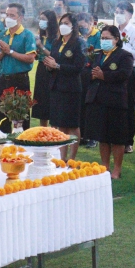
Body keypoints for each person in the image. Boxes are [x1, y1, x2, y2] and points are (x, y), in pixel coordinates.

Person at [85, 26, 134, 179]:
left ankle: (117, 169)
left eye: (107, 38)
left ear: (116, 39)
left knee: (116, 138)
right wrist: (92, 75)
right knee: (102, 137)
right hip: (98, 99)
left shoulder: (124, 55)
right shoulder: (97, 54)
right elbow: (87, 72)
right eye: (102, 38)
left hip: (115, 101)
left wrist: (104, 76)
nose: (104, 41)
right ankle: (105, 166)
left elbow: (124, 74)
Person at [43, 12, 85, 159]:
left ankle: (72, 158)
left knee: (72, 125)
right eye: (61, 23)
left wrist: (58, 66)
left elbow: (78, 67)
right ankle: (61, 157)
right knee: (59, 124)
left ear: (73, 26)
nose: (63, 26)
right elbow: (53, 62)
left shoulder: (78, 43)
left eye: (66, 23)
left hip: (71, 89)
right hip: (56, 87)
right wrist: (49, 66)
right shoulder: (57, 42)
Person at [0, 3, 37, 131]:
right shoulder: (1, 35)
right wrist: (3, 52)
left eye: (12, 15)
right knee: (2, 115)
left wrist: (10, 51)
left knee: (21, 115)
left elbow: (30, 58)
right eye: (7, 15)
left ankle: (23, 141)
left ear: (20, 17)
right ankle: (4, 139)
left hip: (19, 79)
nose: (8, 18)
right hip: (3, 78)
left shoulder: (27, 35)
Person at [115, 2, 135, 153]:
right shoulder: (114, 31)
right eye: (117, 12)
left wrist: (121, 51)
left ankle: (128, 141)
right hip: (114, 72)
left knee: (128, 107)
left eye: (122, 12)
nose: (118, 15)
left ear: (130, 15)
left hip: (129, 72)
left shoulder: (134, 32)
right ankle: (115, 138)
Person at [78, 12, 101, 148]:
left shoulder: (98, 36)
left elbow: (98, 56)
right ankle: (82, 135)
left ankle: (93, 137)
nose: (82, 29)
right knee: (81, 105)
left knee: (92, 106)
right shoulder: (78, 36)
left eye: (83, 26)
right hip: (80, 73)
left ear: (91, 23)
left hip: (92, 73)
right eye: (79, 26)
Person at [32, 10, 58, 126]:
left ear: (50, 21)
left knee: (51, 99)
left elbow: (54, 54)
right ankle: (42, 128)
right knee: (41, 99)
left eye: (43, 19)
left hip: (52, 69)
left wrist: (41, 46)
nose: (41, 21)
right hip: (41, 68)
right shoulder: (41, 36)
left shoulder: (56, 38)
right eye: (40, 19)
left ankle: (54, 129)